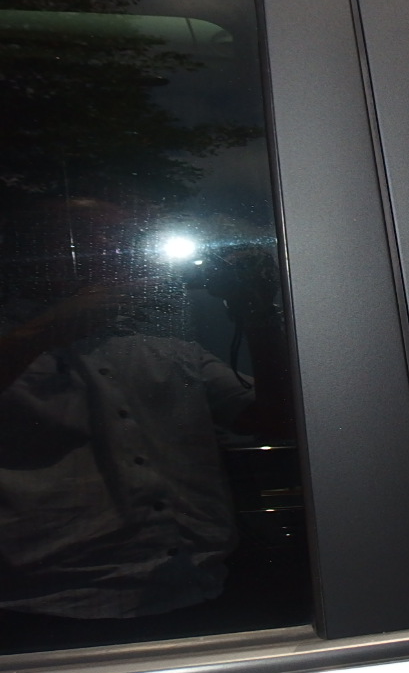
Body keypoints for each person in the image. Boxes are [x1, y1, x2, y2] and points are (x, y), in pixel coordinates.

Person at [0, 195, 292, 645]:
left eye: (122, 239)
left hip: (207, 589)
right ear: (41, 248)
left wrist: (257, 313)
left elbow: (274, 420)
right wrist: (45, 329)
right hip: (46, 611)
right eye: (88, 235)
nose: (110, 250)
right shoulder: (16, 344)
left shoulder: (170, 351)